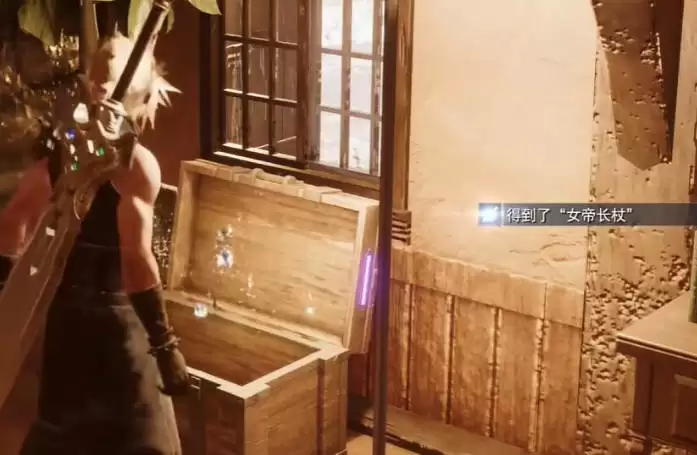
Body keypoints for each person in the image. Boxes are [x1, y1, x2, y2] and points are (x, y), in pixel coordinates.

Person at [0, 32, 189, 455]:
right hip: (116, 331)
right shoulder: (134, 166)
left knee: (63, 436)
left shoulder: (61, 159)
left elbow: (12, 224)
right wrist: (164, 345)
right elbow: (136, 259)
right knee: (141, 441)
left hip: (65, 321)